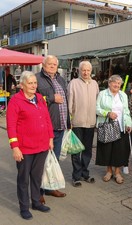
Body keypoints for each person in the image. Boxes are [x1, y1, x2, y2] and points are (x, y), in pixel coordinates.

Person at [6, 71, 53, 220]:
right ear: (22, 85)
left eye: (35, 83)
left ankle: (36, 202)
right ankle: (24, 207)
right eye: (30, 83)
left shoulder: (39, 98)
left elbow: (47, 119)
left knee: (36, 177)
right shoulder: (15, 101)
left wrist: (50, 137)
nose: (33, 85)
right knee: (23, 179)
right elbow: (11, 126)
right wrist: (15, 147)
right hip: (24, 148)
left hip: (42, 146)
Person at [36, 55, 70, 199]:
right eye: (49, 64)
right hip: (45, 127)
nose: (52, 66)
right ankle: (39, 192)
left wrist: (68, 122)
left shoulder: (61, 79)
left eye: (55, 64)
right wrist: (51, 98)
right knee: (42, 161)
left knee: (54, 160)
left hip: (60, 126)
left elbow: (65, 101)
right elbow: (33, 100)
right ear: (43, 65)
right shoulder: (37, 79)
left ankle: (51, 187)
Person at [95, 75, 132, 184]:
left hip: (120, 126)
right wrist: (108, 113)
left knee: (119, 150)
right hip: (107, 126)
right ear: (109, 83)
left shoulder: (123, 95)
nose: (116, 85)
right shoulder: (102, 94)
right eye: (114, 83)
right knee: (107, 150)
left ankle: (117, 172)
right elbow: (97, 109)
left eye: (119, 83)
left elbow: (126, 111)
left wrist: (128, 123)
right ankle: (109, 171)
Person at [68, 61, 99, 187]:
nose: (85, 72)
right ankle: (76, 176)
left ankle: (85, 173)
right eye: (83, 70)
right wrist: (70, 120)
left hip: (90, 122)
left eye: (88, 70)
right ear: (79, 71)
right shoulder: (73, 83)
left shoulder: (95, 84)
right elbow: (70, 102)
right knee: (76, 150)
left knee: (87, 150)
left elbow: (98, 102)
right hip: (77, 122)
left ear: (91, 71)